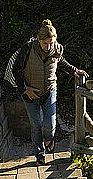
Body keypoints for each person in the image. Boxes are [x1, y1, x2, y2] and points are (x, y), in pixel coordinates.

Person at [11, 19, 88, 165]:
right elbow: (16, 70)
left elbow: (62, 61)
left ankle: (49, 138)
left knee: (50, 124)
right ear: (39, 40)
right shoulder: (27, 49)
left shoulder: (57, 49)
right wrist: (24, 89)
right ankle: (40, 156)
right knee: (36, 125)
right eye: (45, 43)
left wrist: (75, 71)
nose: (48, 46)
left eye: (51, 43)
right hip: (30, 93)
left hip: (50, 91)